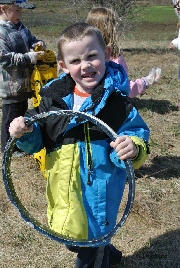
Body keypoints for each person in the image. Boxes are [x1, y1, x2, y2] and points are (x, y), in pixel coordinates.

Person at [9, 22, 150, 268]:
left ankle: (101, 254)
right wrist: (24, 133)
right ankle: (108, 252)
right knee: (72, 237)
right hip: (63, 190)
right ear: (63, 66)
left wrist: (133, 147)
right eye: (75, 61)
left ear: (105, 54)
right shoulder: (53, 102)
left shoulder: (117, 103)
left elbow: (136, 133)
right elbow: (37, 142)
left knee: (90, 250)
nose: (84, 66)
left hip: (99, 195)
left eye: (92, 56)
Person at [0, 0, 46, 156]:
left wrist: (38, 43)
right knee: (10, 117)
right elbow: (5, 59)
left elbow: (32, 40)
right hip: (10, 85)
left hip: (25, 83)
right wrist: (29, 58)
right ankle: (8, 149)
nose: (20, 14)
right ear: (3, 9)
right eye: (17, 10)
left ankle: (20, 144)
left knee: (22, 115)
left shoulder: (21, 27)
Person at [86, 7, 161, 98]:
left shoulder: (81, 54)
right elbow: (124, 88)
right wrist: (145, 82)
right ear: (111, 30)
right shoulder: (114, 60)